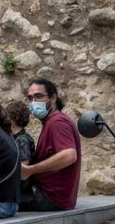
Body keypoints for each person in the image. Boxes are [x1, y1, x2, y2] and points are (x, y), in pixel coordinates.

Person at [19, 79, 81, 211]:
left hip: (49, 197)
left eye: (39, 96)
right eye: (30, 98)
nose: (34, 102)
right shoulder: (51, 121)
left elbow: (69, 155)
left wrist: (31, 170)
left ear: (53, 98)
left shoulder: (57, 122)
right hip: (50, 195)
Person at [6, 99, 36, 164]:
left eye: (7, 117)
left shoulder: (22, 139)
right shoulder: (14, 137)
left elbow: (24, 162)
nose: (5, 120)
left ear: (13, 121)